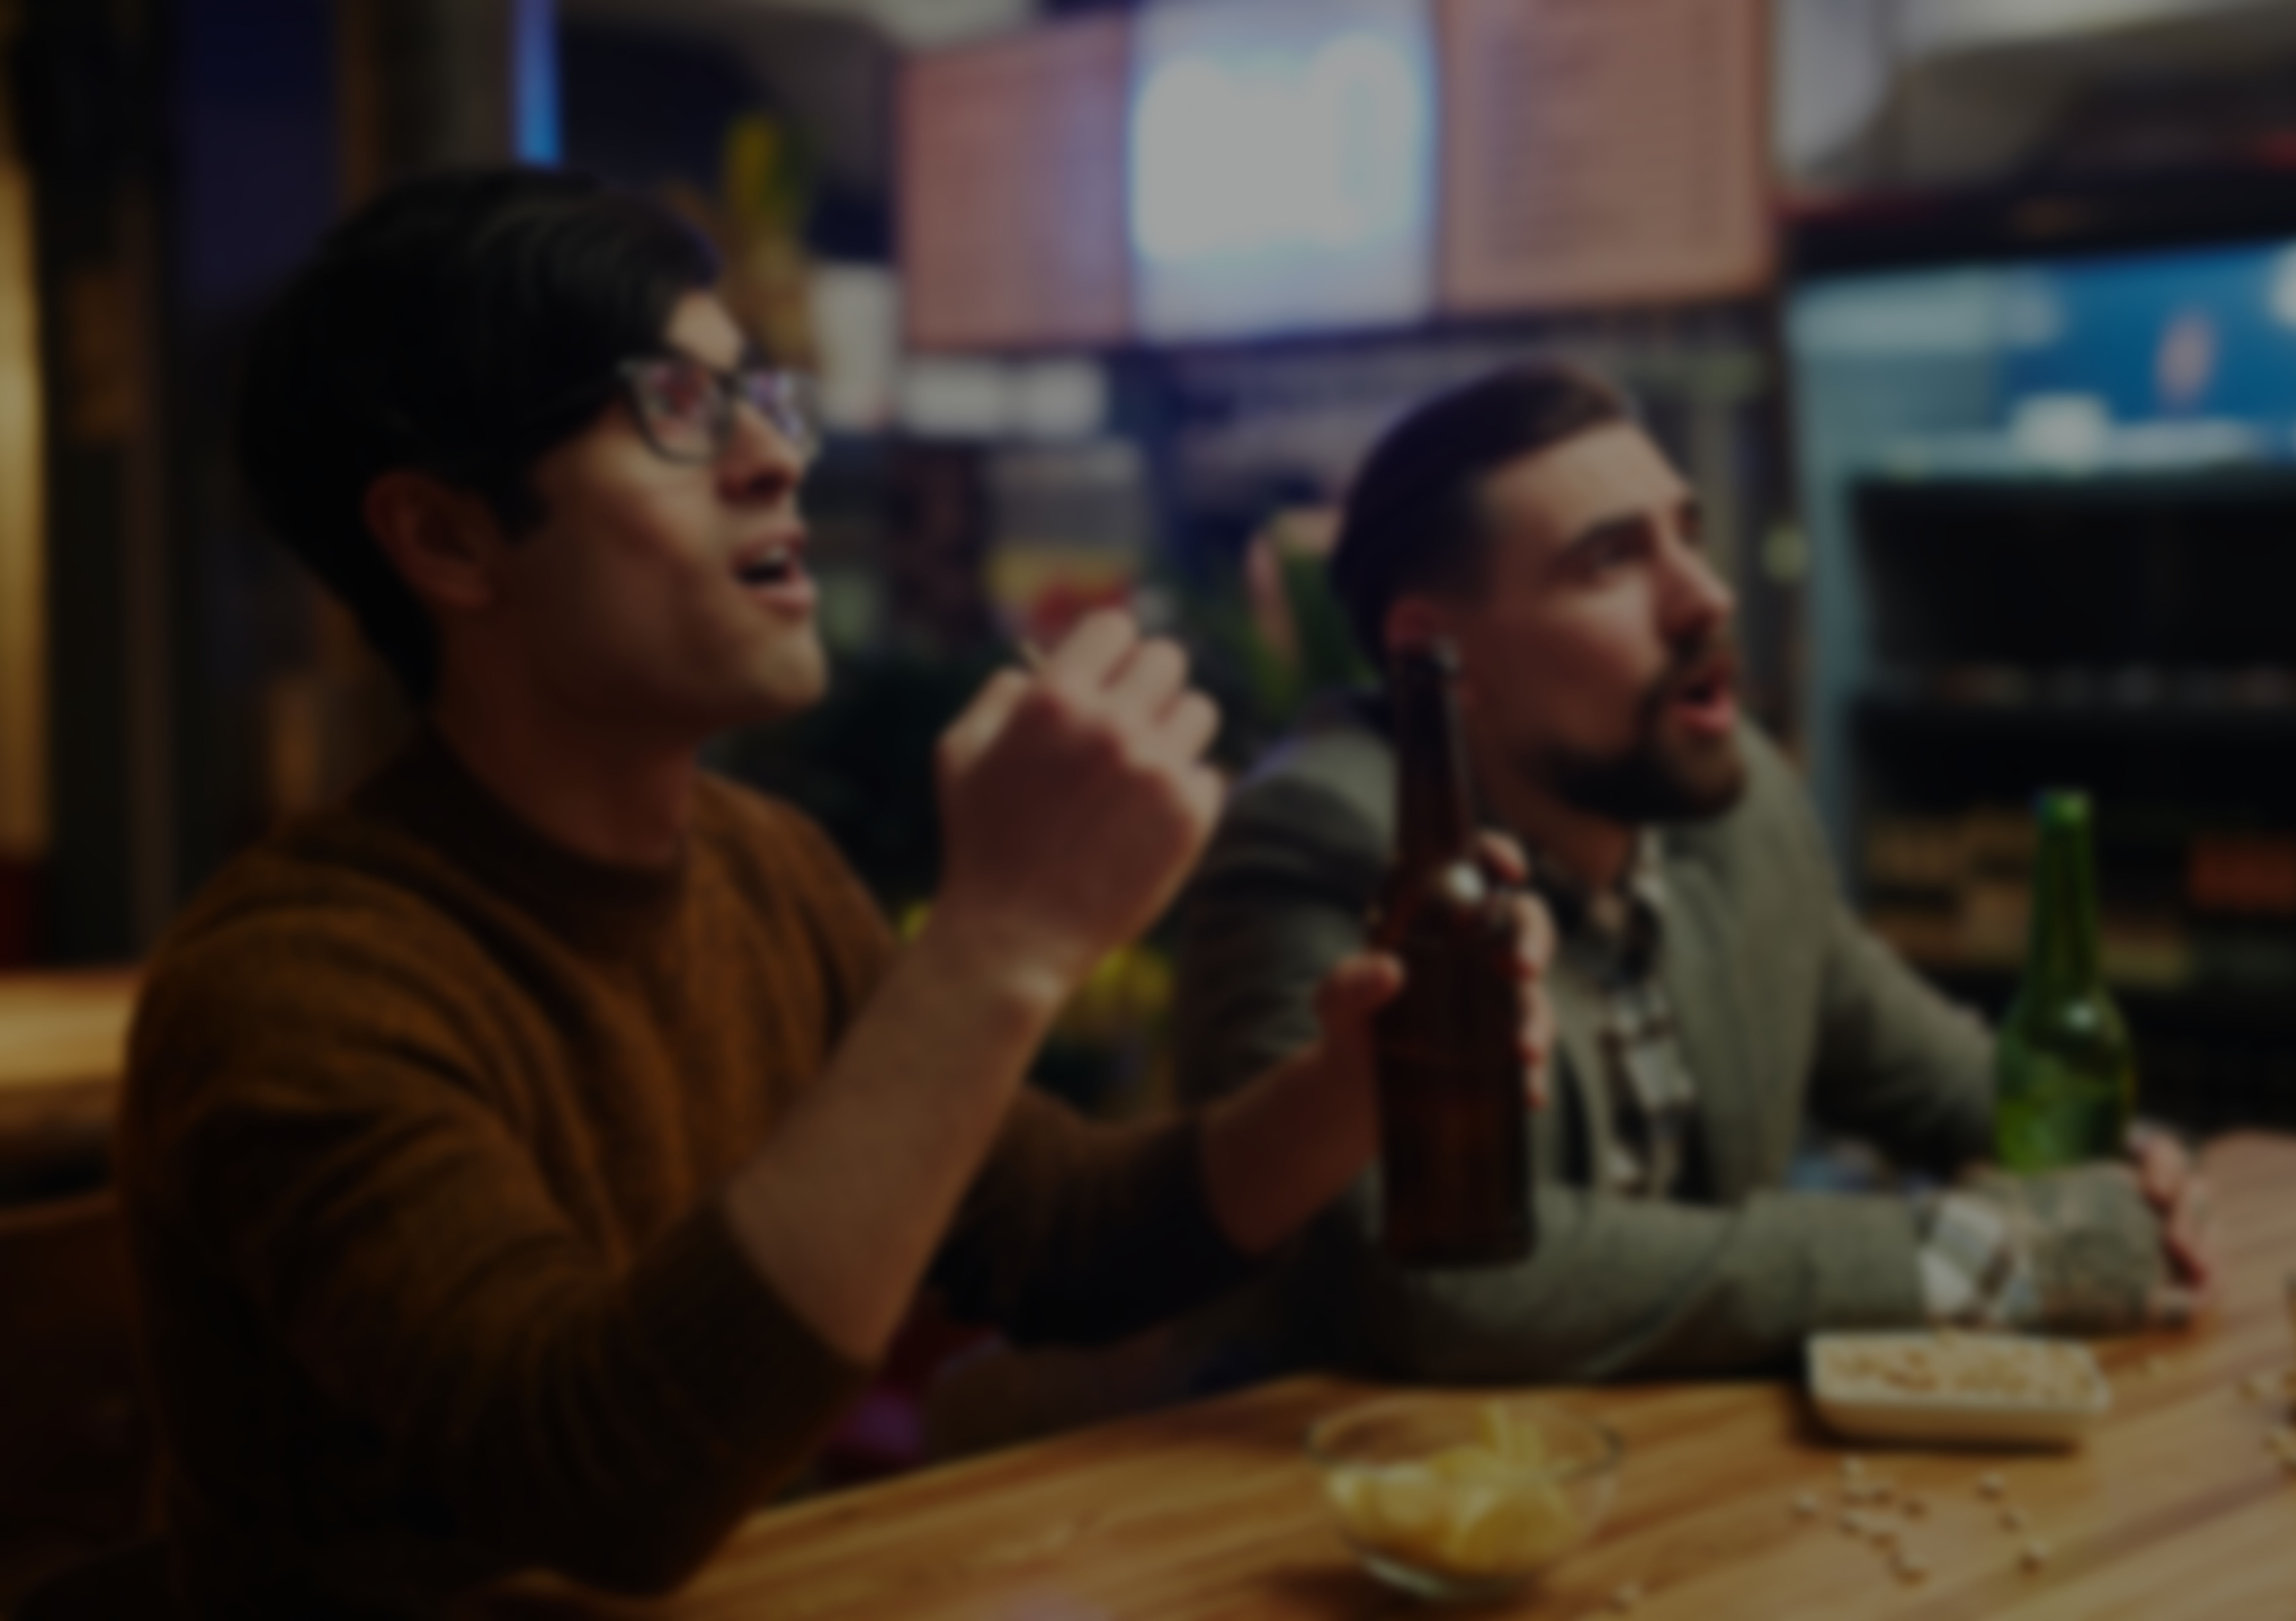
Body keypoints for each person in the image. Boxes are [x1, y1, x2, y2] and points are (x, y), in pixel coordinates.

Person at [115, 169, 1550, 1616]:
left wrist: (1355, 1088)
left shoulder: (766, 869)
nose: (774, 459)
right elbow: (599, 1482)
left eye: (765, 402)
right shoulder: (290, 984)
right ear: (448, 540)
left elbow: (1053, 1237)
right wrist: (1001, 943)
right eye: (678, 409)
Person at [1173, 361, 2216, 1384]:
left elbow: (1921, 1068)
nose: (1705, 597)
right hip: (1376, 1512)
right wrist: (1980, 1257)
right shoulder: (1329, 848)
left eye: (1690, 535)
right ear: (1432, 656)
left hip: (1696, 1497)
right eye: (1610, 562)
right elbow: (1436, 1288)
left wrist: (2119, 1164)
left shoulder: (1729, 797)